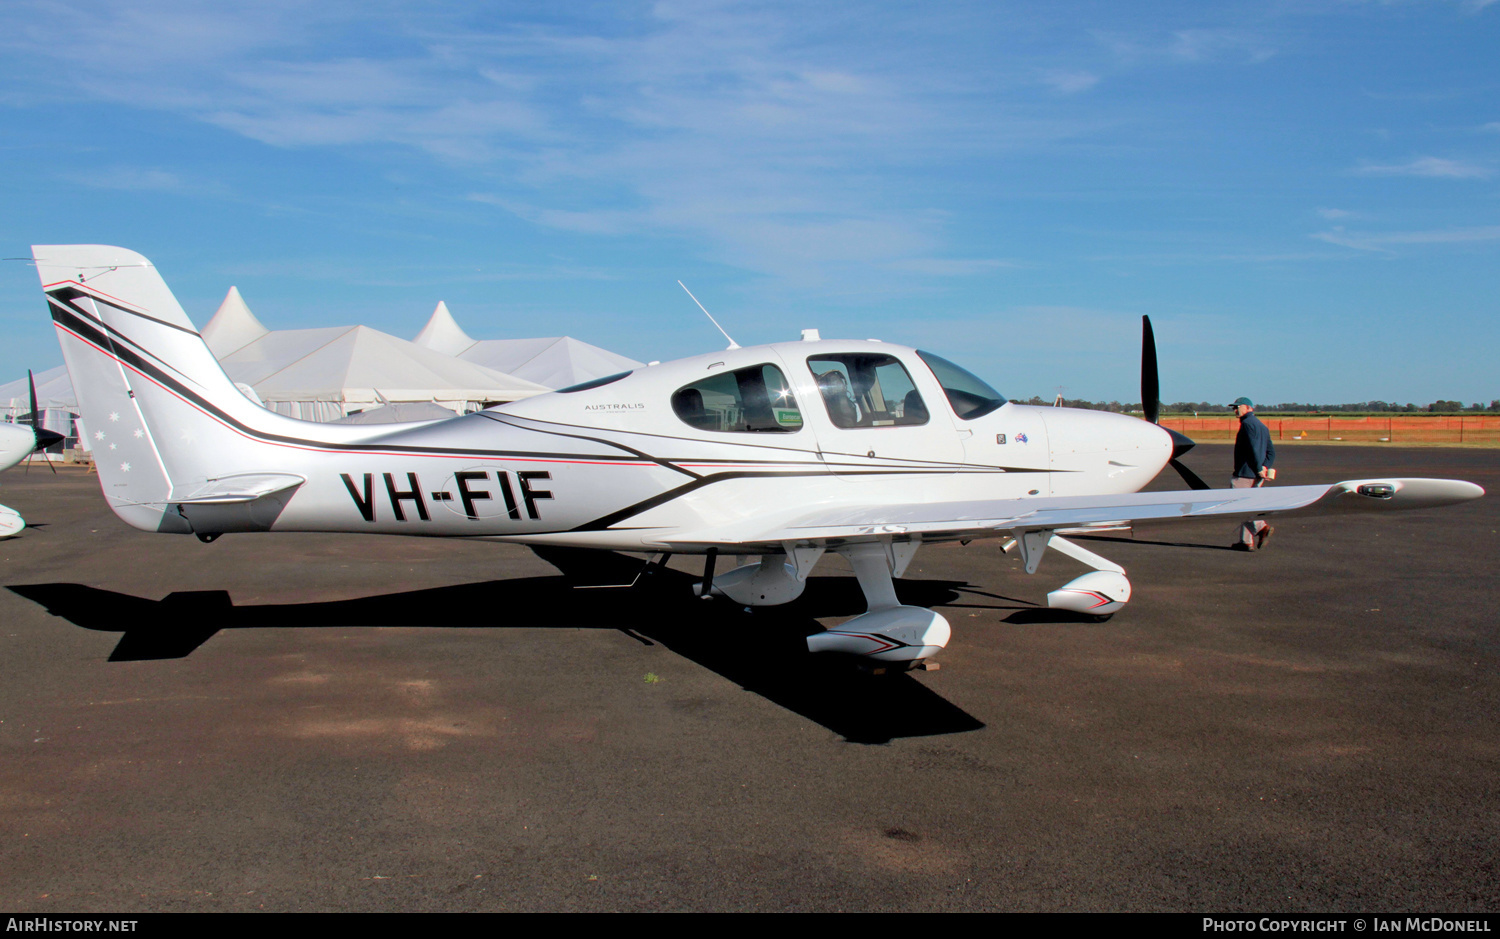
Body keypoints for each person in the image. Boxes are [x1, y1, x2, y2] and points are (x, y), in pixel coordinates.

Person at [1230, 396, 1276, 550]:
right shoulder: (1262, 426)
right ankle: (1245, 542)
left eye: (1238, 407)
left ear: (1249, 408)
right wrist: (1265, 467)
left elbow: (1254, 449)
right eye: (1234, 407)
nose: (1235, 410)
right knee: (1249, 505)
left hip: (1245, 473)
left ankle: (1262, 528)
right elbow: (1271, 452)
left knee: (1239, 506)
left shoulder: (1248, 424)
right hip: (1257, 474)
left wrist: (1257, 467)